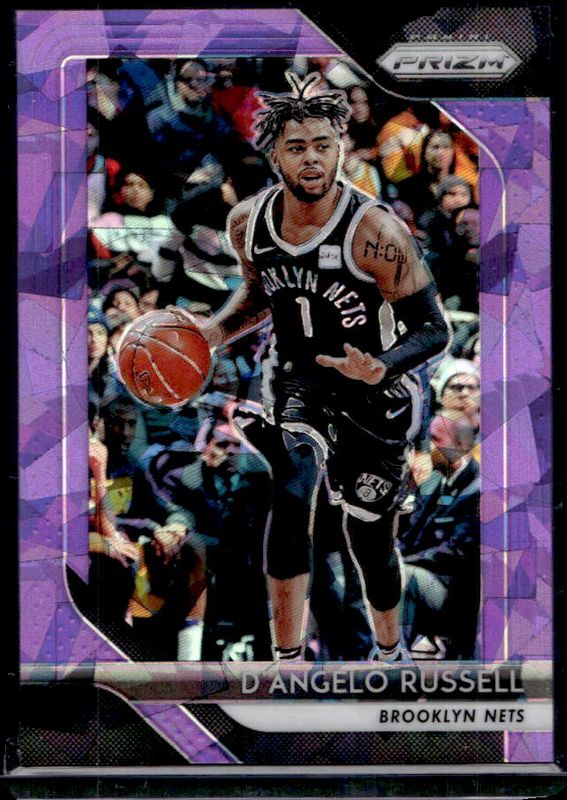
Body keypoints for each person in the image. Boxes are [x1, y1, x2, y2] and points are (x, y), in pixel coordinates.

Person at [169, 71, 450, 662]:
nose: (313, 158)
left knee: (369, 538)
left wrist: (380, 366)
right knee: (293, 491)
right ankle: (288, 660)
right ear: (274, 154)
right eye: (297, 147)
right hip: (297, 379)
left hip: (374, 393)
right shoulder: (249, 222)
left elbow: (433, 329)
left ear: (341, 147)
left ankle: (390, 649)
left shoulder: (375, 230)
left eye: (324, 144)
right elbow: (261, 296)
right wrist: (214, 332)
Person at [398, 410, 480, 660]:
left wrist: (403, 562)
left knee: (406, 577)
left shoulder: (477, 490)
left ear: (461, 446)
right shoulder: (436, 483)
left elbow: (455, 551)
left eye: (436, 440)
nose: (429, 448)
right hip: (433, 580)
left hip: (454, 594)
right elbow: (411, 533)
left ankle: (396, 660)